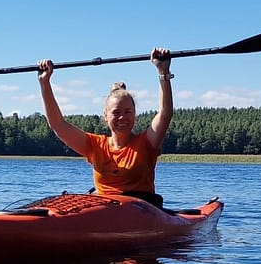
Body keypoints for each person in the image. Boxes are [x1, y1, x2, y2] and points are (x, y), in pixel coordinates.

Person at [38, 47, 173, 209]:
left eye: (128, 112)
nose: (122, 117)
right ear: (106, 116)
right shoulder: (95, 145)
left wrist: (163, 71)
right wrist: (45, 83)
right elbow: (58, 125)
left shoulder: (147, 142)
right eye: (116, 112)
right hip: (104, 209)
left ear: (135, 114)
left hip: (141, 210)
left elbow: (165, 114)